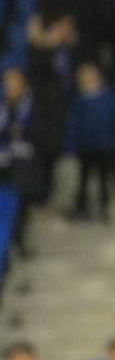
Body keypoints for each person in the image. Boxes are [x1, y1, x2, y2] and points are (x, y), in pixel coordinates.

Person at [0, 68, 60, 256]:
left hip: (24, 168)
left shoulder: (36, 106)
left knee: (19, 210)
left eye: (14, 81)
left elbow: (48, 136)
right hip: (3, 163)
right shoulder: (4, 105)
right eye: (7, 81)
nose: (10, 86)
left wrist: (25, 132)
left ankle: (17, 241)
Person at [64, 62, 115, 222]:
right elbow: (73, 123)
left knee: (103, 180)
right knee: (83, 179)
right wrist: (70, 144)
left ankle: (103, 207)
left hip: (105, 146)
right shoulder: (79, 100)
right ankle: (81, 207)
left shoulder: (110, 97)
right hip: (86, 147)